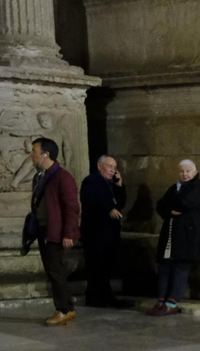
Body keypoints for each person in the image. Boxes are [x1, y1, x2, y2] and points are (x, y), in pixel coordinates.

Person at [29, 136, 80, 326]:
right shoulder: (41, 176)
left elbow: (71, 207)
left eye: (34, 152)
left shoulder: (62, 177)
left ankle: (63, 310)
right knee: (54, 271)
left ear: (45, 154)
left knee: (55, 271)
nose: (31, 156)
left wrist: (69, 233)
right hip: (44, 230)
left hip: (55, 232)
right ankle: (68, 307)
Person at [150, 159, 200, 315]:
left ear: (194, 172)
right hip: (170, 233)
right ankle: (162, 300)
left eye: (187, 171)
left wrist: (169, 205)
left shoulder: (199, 187)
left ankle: (172, 302)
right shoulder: (175, 188)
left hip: (187, 234)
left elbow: (186, 203)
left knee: (180, 267)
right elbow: (160, 206)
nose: (184, 174)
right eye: (182, 171)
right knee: (164, 267)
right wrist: (170, 211)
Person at [80, 154, 128, 308]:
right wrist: (108, 209)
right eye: (109, 166)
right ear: (100, 166)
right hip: (95, 232)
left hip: (110, 233)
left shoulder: (111, 184)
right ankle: (95, 298)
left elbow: (120, 203)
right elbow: (90, 200)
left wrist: (120, 186)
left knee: (106, 267)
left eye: (114, 168)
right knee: (96, 266)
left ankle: (105, 296)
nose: (112, 170)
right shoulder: (91, 181)